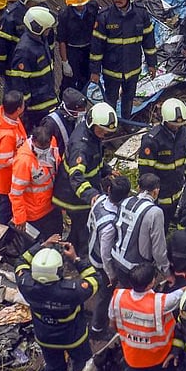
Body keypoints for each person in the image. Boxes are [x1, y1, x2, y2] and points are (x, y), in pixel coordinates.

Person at [16, 234, 100, 371]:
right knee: (82, 367)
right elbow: (94, 279)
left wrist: (42, 246)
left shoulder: (26, 284)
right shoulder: (71, 291)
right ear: (60, 270)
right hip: (74, 337)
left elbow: (21, 262)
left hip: (46, 338)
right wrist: (76, 259)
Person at [52, 102, 119, 252]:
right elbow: (76, 177)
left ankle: (71, 250)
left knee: (79, 228)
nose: (104, 134)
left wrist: (107, 170)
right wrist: (92, 195)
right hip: (74, 197)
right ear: (92, 124)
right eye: (102, 131)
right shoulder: (81, 147)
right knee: (83, 229)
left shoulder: (92, 135)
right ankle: (80, 256)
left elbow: (95, 159)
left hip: (82, 193)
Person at [89, 0, 157, 121]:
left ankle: (126, 122)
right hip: (111, 70)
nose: (117, 2)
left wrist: (152, 64)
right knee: (110, 100)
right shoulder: (104, 17)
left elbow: (149, 42)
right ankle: (109, 123)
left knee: (129, 98)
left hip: (133, 68)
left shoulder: (141, 15)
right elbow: (97, 47)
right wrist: (95, 71)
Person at [138, 98, 186, 227]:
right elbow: (146, 172)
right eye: (172, 124)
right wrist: (151, 192)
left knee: (170, 223)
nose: (176, 127)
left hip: (177, 190)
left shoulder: (184, 133)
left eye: (179, 124)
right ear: (164, 120)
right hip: (159, 195)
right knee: (158, 228)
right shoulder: (152, 140)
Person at [87, 175, 132, 337]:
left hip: (92, 249)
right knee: (104, 294)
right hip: (101, 261)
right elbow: (106, 254)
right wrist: (111, 274)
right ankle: (97, 328)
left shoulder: (99, 201)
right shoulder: (111, 223)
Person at [110, 173, 172, 288]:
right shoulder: (155, 212)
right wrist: (167, 272)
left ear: (139, 188)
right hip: (136, 270)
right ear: (155, 192)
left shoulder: (126, 201)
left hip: (116, 260)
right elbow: (158, 249)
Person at [6, 7, 59, 131]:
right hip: (35, 106)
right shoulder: (24, 51)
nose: (49, 31)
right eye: (48, 28)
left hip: (47, 96)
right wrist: (24, 108)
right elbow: (20, 83)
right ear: (38, 27)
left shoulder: (40, 39)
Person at [9, 125, 63, 239]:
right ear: (33, 141)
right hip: (35, 214)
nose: (43, 150)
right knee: (36, 246)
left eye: (46, 146)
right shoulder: (23, 162)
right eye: (40, 147)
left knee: (57, 237)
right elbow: (16, 193)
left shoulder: (52, 143)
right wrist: (20, 218)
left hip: (53, 205)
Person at [0, 0, 49, 79]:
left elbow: (49, 39)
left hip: (39, 63)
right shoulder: (11, 18)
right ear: (25, 0)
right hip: (17, 65)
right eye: (35, 2)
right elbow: (2, 45)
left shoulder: (42, 10)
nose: (39, 4)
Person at [0, 90, 27, 225]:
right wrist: (22, 159)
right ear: (18, 109)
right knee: (6, 208)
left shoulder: (10, 119)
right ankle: (3, 236)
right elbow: (2, 161)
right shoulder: (7, 134)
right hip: (8, 179)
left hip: (11, 175)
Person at [58, 0, 98, 92]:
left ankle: (81, 99)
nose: (80, 6)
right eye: (77, 5)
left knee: (85, 79)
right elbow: (62, 41)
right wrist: (65, 62)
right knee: (68, 81)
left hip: (88, 49)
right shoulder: (64, 15)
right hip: (73, 51)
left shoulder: (93, 8)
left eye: (82, 4)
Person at [42, 88, 88, 156]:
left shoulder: (79, 117)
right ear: (69, 109)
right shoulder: (51, 123)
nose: (82, 113)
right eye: (79, 111)